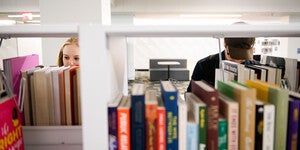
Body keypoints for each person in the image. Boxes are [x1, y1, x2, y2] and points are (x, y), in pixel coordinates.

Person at [187, 37, 260, 92]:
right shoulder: (204, 65)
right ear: (224, 42)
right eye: (231, 60)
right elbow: (190, 95)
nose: (237, 63)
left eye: (242, 60)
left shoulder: (258, 69)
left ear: (252, 46)